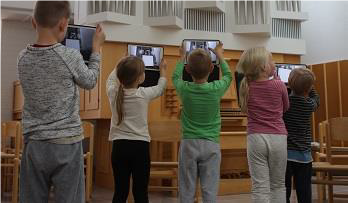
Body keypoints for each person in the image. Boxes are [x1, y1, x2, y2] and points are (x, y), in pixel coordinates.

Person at [17, 0, 105, 202]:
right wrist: (96, 49)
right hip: (66, 142)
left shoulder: (22, 58)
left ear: (33, 22)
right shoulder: (70, 55)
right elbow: (90, 81)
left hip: (35, 144)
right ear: (64, 24)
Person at [172, 43, 232, 203]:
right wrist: (219, 55)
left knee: (186, 189)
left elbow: (174, 77)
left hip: (189, 144)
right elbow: (228, 75)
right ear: (211, 69)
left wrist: (181, 57)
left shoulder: (184, 89)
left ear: (188, 70)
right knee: (210, 190)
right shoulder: (216, 88)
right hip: (211, 144)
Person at [106, 56, 167, 203]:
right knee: (140, 193)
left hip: (119, 147)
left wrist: (120, 63)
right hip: (140, 147)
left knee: (120, 192)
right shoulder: (143, 94)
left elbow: (110, 79)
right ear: (140, 78)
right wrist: (163, 71)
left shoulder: (113, 92)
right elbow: (160, 88)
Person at [237, 47, 289, 203]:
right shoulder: (279, 85)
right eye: (271, 60)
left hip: (256, 138)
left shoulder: (246, 87)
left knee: (260, 186)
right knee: (278, 185)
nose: (274, 63)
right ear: (264, 67)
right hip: (278, 137)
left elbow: (244, 109)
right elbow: (286, 107)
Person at [284, 68, 319, 203]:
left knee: (284, 189)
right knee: (304, 191)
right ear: (309, 88)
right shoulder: (309, 104)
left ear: (289, 84)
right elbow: (317, 99)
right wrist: (311, 88)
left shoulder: (285, 102)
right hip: (303, 156)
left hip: (286, 154)